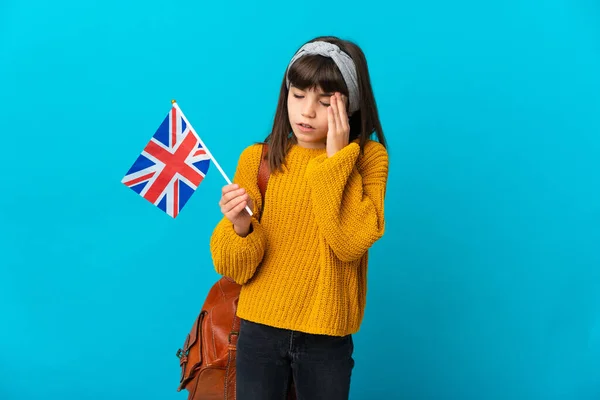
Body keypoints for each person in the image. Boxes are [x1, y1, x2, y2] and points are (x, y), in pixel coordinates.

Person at [209, 35, 389, 400]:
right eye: (298, 95)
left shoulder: (368, 159)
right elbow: (233, 266)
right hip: (259, 330)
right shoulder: (258, 159)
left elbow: (349, 241)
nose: (307, 111)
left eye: (325, 102)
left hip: (326, 336)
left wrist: (336, 160)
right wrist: (241, 227)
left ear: (350, 107)